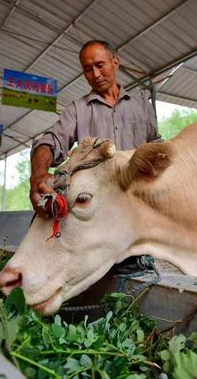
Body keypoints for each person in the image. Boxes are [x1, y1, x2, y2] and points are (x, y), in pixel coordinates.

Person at [30, 41, 161, 274]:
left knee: (143, 267)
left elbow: (157, 146)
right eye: (88, 69)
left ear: (115, 62)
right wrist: (38, 174)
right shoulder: (78, 110)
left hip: (140, 210)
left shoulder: (142, 105)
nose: (95, 74)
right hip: (99, 213)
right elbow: (49, 141)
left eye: (100, 65)